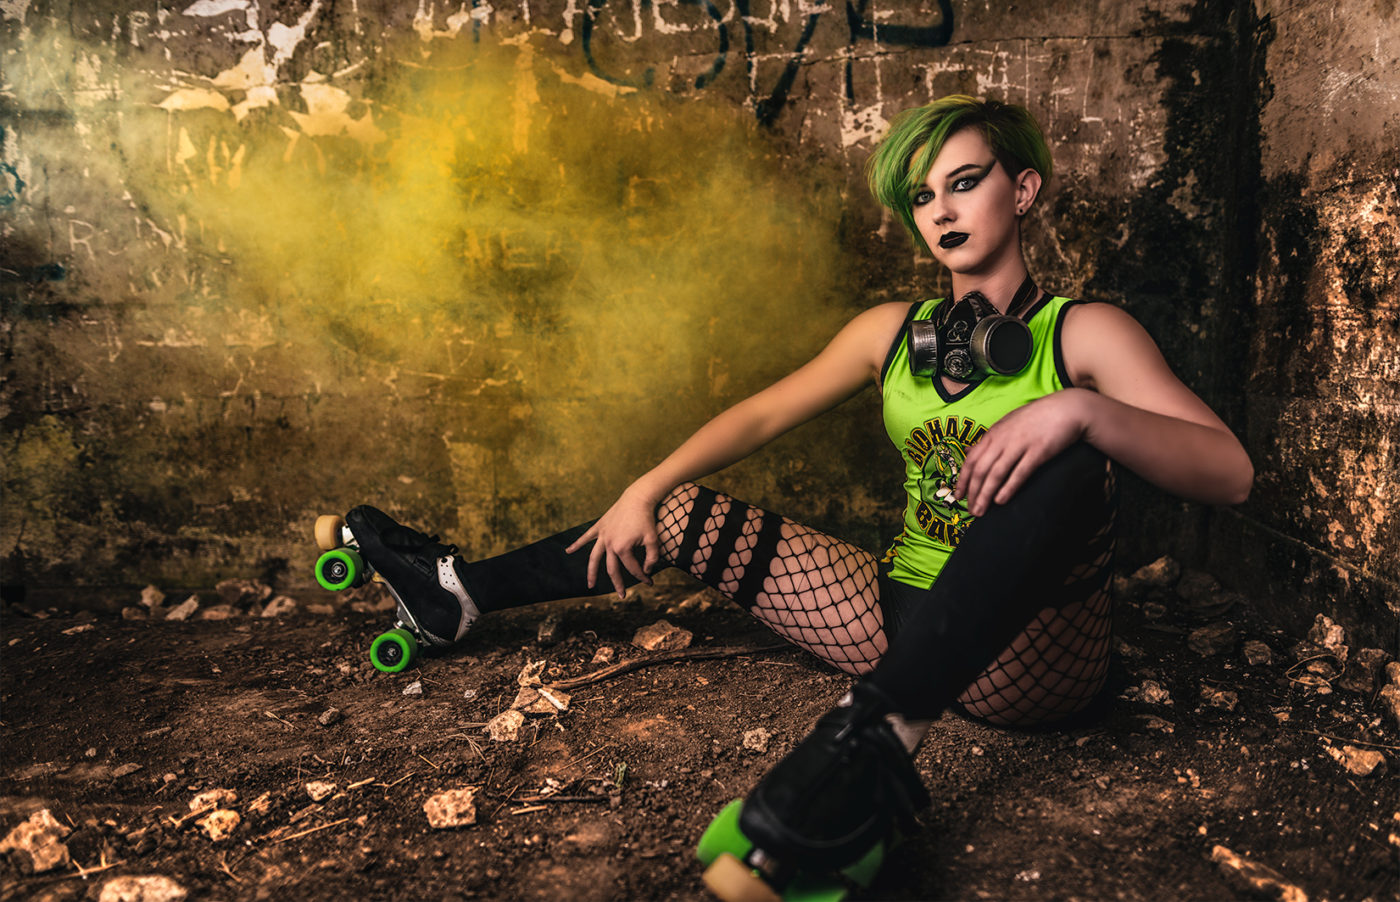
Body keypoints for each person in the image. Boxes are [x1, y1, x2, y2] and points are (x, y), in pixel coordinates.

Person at [340, 95, 1253, 890]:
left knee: (1067, 451)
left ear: (1023, 191)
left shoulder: (1085, 332)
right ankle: (458, 595)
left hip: (1030, 659)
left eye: (964, 182)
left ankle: (874, 741)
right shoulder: (894, 331)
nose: (940, 210)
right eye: (921, 196)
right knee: (680, 506)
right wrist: (645, 487)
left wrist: (1080, 415)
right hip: (898, 613)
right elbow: (756, 417)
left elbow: (1230, 471)